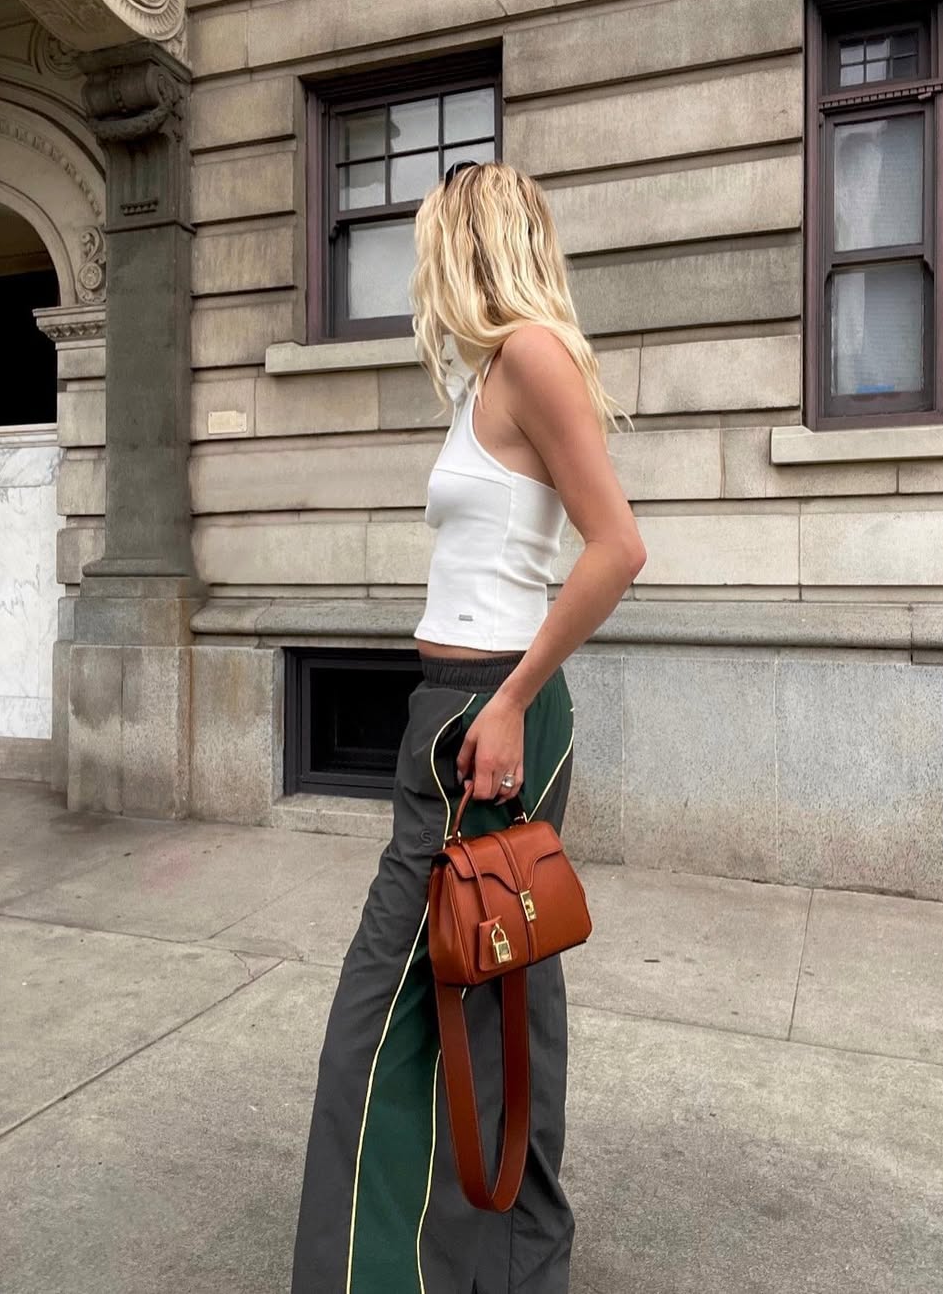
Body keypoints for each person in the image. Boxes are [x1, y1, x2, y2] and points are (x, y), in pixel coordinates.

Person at [290, 159, 647, 1294]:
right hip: (461, 707)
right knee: (493, 986)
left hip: (484, 718)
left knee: (381, 1007)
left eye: (432, 238)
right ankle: (503, 1261)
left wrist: (505, 702)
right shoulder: (488, 373)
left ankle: (361, 1274)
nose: (419, 266)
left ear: (470, 239)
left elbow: (617, 549)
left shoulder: (532, 356)